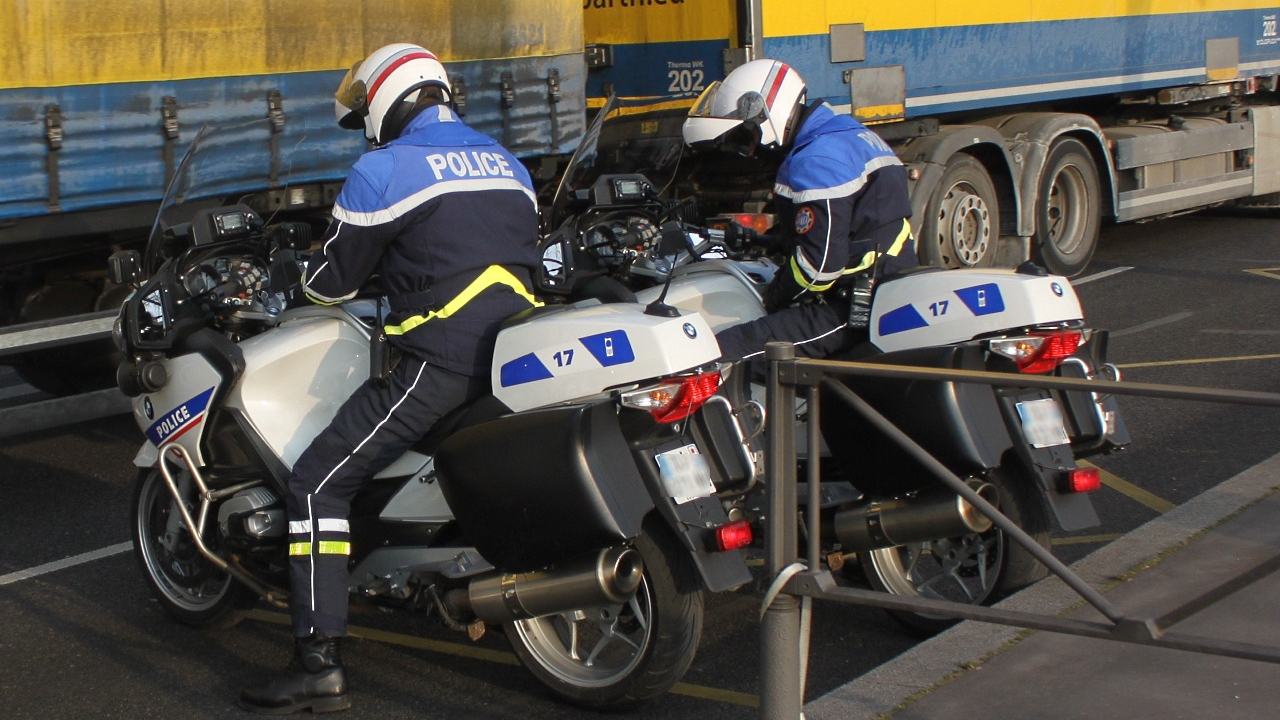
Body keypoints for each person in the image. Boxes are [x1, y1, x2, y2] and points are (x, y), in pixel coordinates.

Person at [238, 43, 541, 714]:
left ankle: (317, 662)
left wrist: (291, 275)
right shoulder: (507, 162)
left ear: (386, 99)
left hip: (439, 364)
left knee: (317, 483)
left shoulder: (385, 169)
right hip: (513, 357)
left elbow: (330, 283)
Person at [682, 59, 918, 366]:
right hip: (884, 281)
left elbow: (819, 267)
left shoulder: (816, 160)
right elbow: (843, 228)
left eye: (745, 139)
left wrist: (774, 297)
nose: (749, 152)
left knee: (724, 349)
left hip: (855, 306)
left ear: (765, 113)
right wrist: (769, 242)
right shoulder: (842, 133)